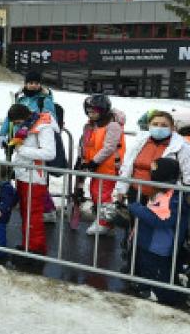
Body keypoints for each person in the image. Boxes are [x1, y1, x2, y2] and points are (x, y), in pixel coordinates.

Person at [128, 157, 189, 306]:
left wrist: (137, 208)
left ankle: (172, 298)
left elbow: (161, 220)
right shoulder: (162, 191)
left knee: (159, 276)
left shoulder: (174, 197)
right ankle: (145, 287)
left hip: (158, 247)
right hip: (147, 242)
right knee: (146, 269)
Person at [4, 103, 58, 257]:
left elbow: (49, 153)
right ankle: (28, 244)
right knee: (25, 213)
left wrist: (22, 150)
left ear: (25, 117)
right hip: (23, 174)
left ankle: (36, 249)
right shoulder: (28, 125)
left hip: (34, 177)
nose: (16, 126)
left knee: (33, 215)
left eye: (17, 122)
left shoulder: (44, 127)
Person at [113, 110, 190, 205]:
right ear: (149, 125)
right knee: (135, 218)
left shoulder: (181, 146)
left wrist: (186, 195)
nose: (159, 128)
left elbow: (187, 173)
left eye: (164, 125)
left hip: (164, 196)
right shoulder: (139, 142)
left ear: (172, 128)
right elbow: (127, 166)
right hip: (136, 192)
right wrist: (121, 189)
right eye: (155, 124)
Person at [77, 94, 126, 236]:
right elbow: (87, 144)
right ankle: (104, 220)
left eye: (94, 111)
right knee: (94, 192)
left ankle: (105, 223)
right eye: (89, 111)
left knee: (102, 194)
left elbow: (109, 147)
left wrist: (94, 161)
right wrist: (83, 160)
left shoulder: (113, 125)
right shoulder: (92, 125)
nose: (91, 114)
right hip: (97, 166)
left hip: (108, 166)